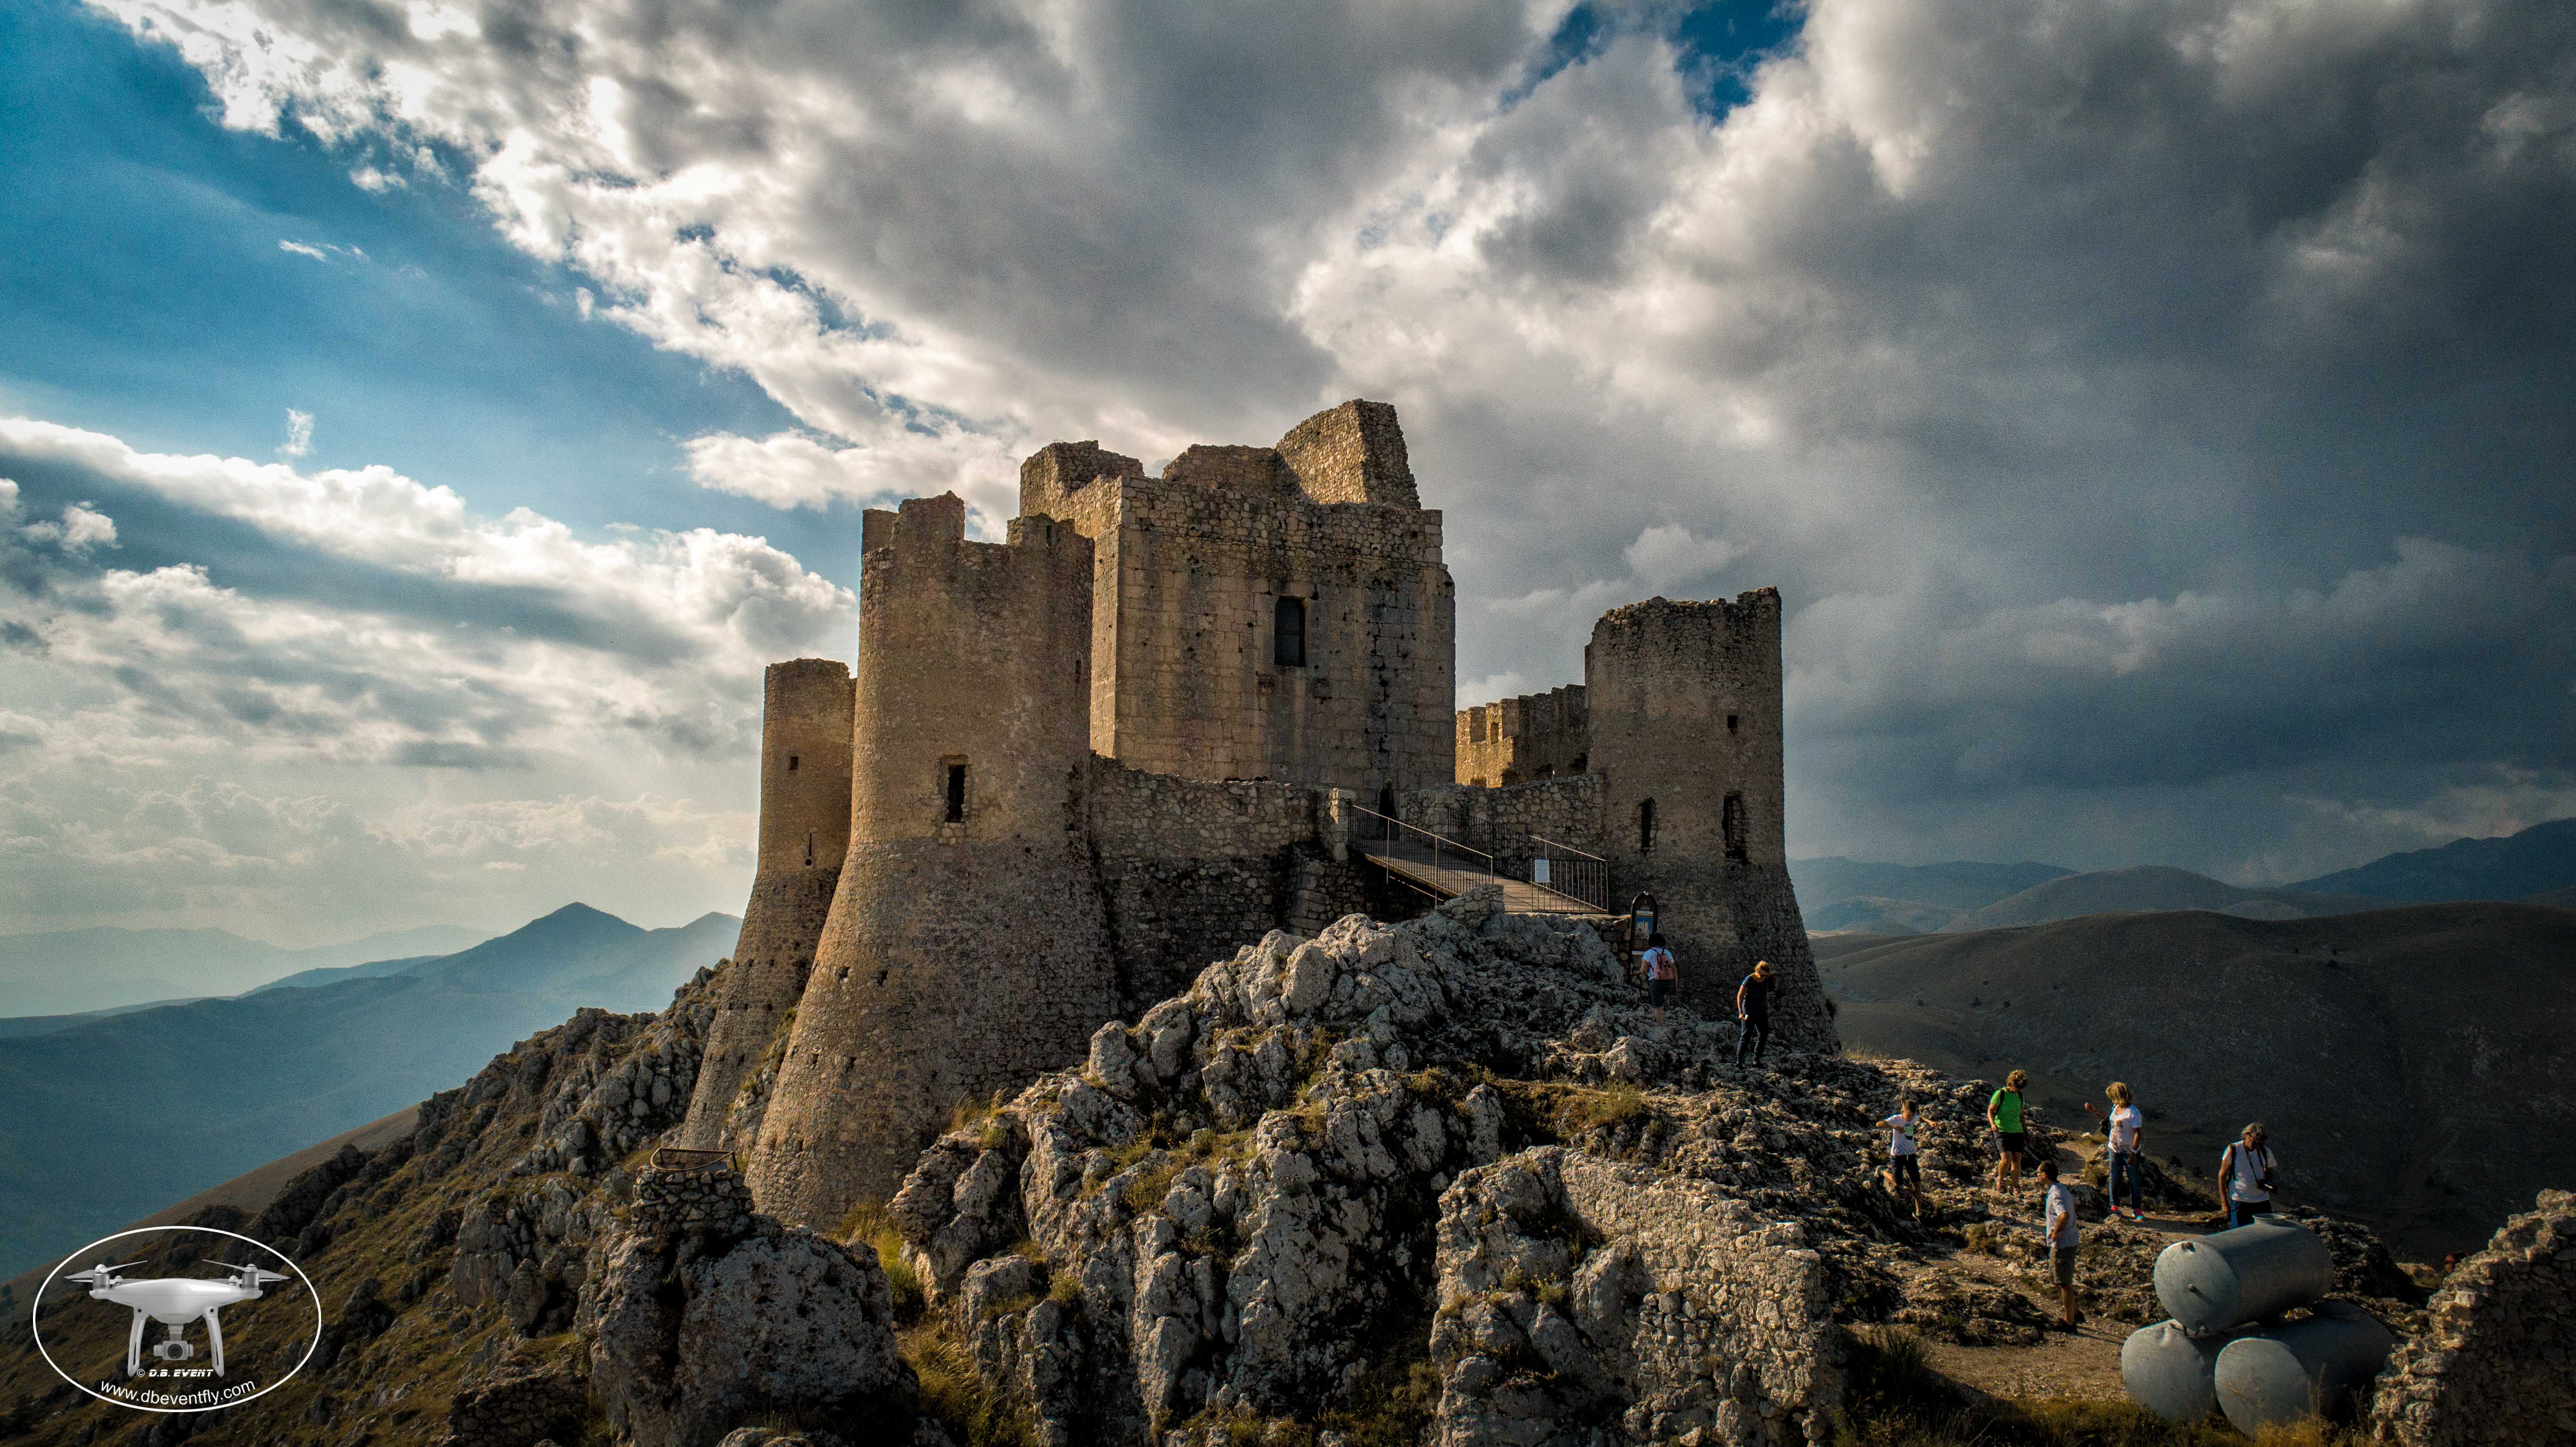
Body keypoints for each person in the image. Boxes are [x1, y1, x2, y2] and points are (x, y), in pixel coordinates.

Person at [2083, 1082, 2145, 1221]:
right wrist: (2094, 1111)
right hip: (2114, 1149)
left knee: (2134, 1180)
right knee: (2114, 1178)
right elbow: (2109, 1119)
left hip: (2129, 1151)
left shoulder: (2133, 1113)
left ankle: (2136, 1209)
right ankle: (2114, 1206)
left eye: (2113, 1096)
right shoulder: (2115, 1107)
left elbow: (2138, 1134)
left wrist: (2134, 1153)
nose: (2111, 1099)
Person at [2039, 1157, 2083, 1331]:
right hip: (2068, 1242)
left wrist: (2056, 1233)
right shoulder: (2061, 1189)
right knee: (2058, 1280)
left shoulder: (2056, 1193)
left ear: (2044, 1175)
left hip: (2063, 1244)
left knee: (2064, 1283)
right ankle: (2076, 1312)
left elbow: (2064, 1215)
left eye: (2038, 1174)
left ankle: (2069, 1321)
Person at [2219, 1123, 2278, 1228]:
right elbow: (2222, 1176)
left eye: (2258, 1143)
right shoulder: (2234, 1150)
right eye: (2253, 1142)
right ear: (2246, 1136)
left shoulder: (2265, 1151)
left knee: (2266, 1232)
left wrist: (2267, 1181)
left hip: (2261, 1200)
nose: (2255, 1145)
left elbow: (2270, 1170)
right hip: (2240, 1200)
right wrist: (2224, 1203)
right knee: (2239, 1235)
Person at [1881, 1097, 1932, 1216]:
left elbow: (1920, 1118)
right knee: (1898, 1184)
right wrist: (1894, 1127)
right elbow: (1879, 1124)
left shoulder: (1914, 1118)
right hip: (1897, 1156)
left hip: (1911, 1156)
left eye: (1912, 1115)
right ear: (1902, 1112)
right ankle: (1882, 1172)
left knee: (1917, 1184)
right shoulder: (1896, 1119)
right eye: (1908, 1115)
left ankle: (1919, 1213)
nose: (1911, 1118)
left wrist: (1930, 1122)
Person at [1989, 1069, 2030, 1195]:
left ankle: (2015, 1186)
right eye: (2017, 1087)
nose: (2018, 1089)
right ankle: (2000, 1180)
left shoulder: (2020, 1096)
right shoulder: (2000, 1094)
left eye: (2021, 1088)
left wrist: (2026, 1133)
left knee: (2017, 1160)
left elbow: (2021, 1116)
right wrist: (1993, 1124)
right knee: (2006, 1159)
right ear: (2011, 1083)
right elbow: (1991, 1110)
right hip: (2002, 1130)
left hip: (2017, 1131)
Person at [1734, 959, 1774, 1066]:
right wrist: (1741, 1012)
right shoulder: (1749, 980)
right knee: (1746, 1036)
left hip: (1761, 1012)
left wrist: (1767, 1009)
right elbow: (1740, 996)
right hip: (1749, 1012)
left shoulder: (1765, 980)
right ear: (1758, 971)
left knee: (1764, 1034)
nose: (1763, 977)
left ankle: (1756, 1060)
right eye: (1762, 975)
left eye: (1766, 976)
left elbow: (1764, 996)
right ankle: (1739, 1062)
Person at [1640, 932, 1678, 1027]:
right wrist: (1676, 985)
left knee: (1658, 1006)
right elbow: (1674, 971)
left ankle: (1660, 1026)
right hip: (1668, 982)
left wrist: (1650, 974)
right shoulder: (1667, 952)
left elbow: (1643, 970)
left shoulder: (1649, 953)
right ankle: (1656, 1015)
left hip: (1656, 981)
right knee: (1660, 999)